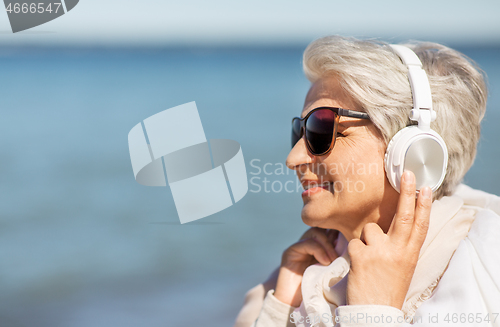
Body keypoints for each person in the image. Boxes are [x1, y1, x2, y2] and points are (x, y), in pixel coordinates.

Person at [233, 35, 500, 327]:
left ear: (411, 148)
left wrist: (373, 314)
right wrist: (278, 311)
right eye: (300, 132)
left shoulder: (483, 264)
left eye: (321, 130)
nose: (293, 158)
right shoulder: (294, 278)